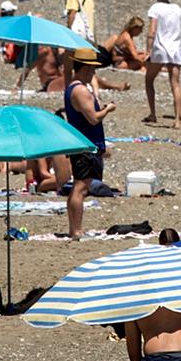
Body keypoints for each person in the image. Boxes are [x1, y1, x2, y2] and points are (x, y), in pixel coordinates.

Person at [62, 49, 114, 239]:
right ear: (84, 67)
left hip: (85, 143)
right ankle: (76, 230)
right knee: (81, 187)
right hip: (85, 144)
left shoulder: (75, 87)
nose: (93, 72)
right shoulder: (80, 90)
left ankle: (74, 229)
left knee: (80, 186)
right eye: (91, 68)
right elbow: (93, 119)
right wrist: (108, 109)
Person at [144, 0, 181, 129]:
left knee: (149, 80)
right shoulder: (177, 8)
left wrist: (148, 50)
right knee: (175, 84)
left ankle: (153, 114)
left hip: (160, 48)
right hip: (174, 48)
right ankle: (177, 120)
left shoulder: (155, 8)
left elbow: (152, 31)